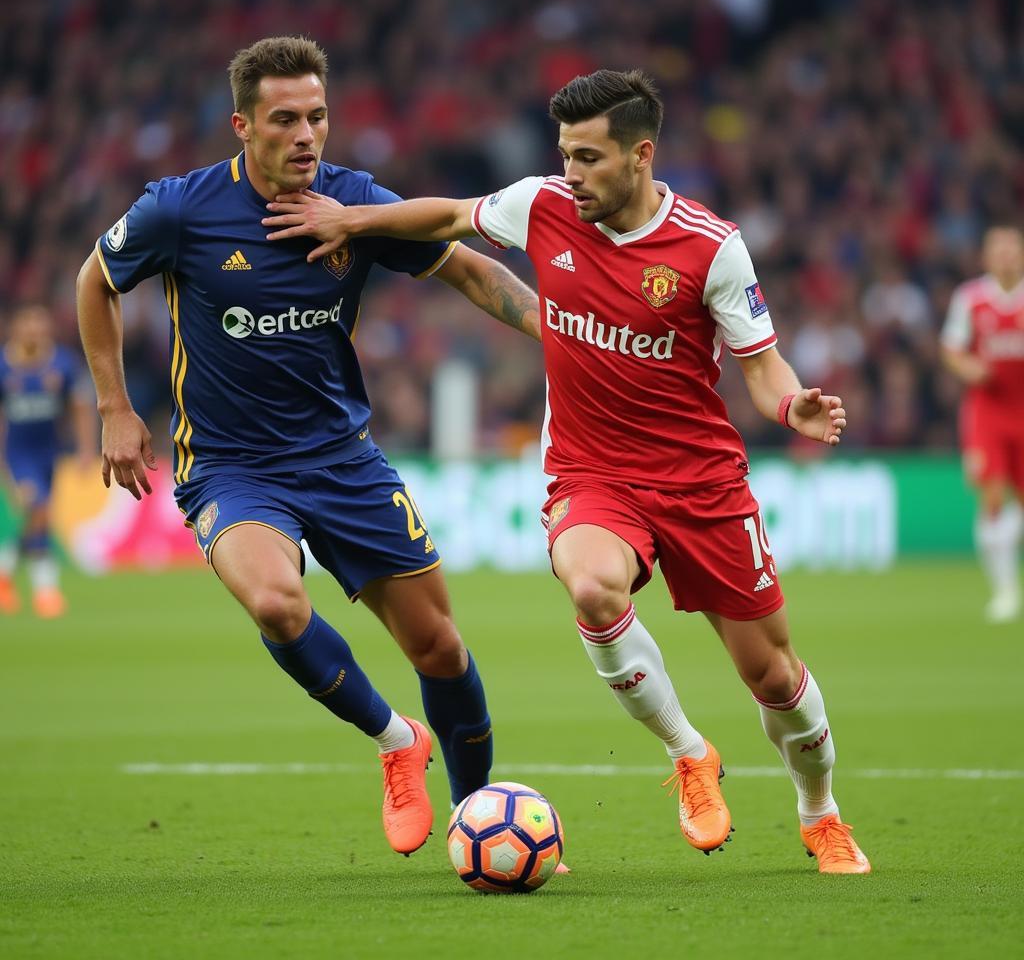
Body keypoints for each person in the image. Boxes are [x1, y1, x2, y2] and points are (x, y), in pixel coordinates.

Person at [262, 68, 871, 875]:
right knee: (591, 587)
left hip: (702, 484)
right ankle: (690, 755)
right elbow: (447, 215)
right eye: (565, 155)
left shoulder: (710, 246)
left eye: (588, 158)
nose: (571, 174)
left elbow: (763, 366)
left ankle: (819, 810)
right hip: (592, 473)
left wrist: (789, 405)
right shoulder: (543, 205)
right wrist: (354, 218)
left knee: (775, 677)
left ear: (641, 155)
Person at [76, 36, 542, 857]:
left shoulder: (354, 204)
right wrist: (113, 405)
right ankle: (396, 740)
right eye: (285, 119)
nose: (306, 135)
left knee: (439, 645)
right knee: (277, 603)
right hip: (231, 466)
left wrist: (560, 329)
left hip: (341, 458)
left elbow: (467, 271)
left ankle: (475, 822)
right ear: (242, 127)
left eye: (318, 117)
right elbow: (95, 282)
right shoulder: (181, 209)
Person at [941, 226, 1024, 624]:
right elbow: (952, 348)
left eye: (1013, 249)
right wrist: (968, 367)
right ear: (987, 257)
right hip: (988, 412)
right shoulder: (971, 299)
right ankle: (1005, 591)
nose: (1007, 256)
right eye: (999, 250)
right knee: (992, 498)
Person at [0, 303, 95, 619]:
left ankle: (6, 573)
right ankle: (46, 592)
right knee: (36, 507)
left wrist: (85, 449)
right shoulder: (4, 365)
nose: (34, 330)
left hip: (49, 454)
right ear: (16, 328)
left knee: (40, 515)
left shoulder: (63, 364)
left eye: (40, 324)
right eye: (27, 324)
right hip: (17, 453)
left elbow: (80, 407)